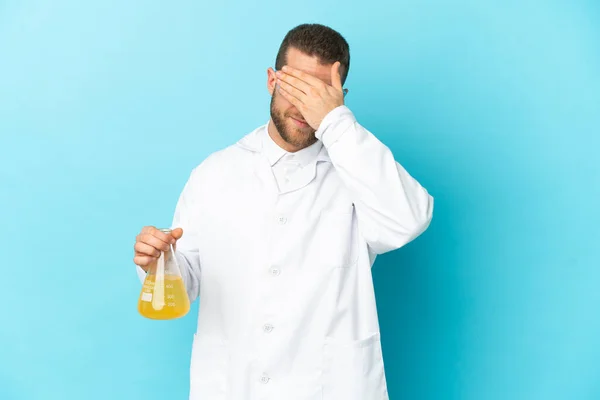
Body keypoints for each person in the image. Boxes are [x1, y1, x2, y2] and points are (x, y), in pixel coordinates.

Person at [133, 23, 433, 400]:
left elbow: (409, 219)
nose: (305, 107)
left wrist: (336, 121)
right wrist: (158, 260)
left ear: (339, 98)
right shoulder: (215, 173)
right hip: (233, 385)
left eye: (319, 94)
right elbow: (188, 279)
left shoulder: (359, 171)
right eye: (296, 88)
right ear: (272, 80)